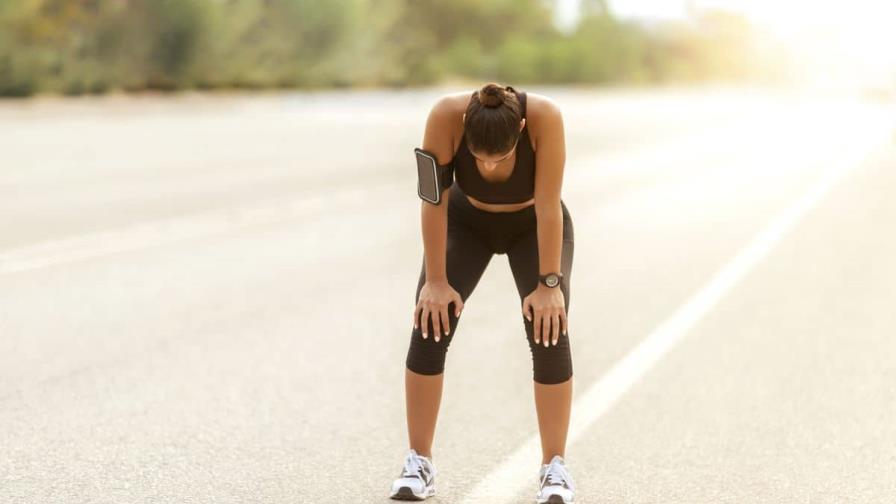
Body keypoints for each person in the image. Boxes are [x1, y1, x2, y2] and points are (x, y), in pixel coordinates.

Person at [389, 83, 576, 504]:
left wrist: (549, 285)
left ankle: (554, 467)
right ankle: (419, 460)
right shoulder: (443, 117)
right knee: (429, 323)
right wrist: (435, 282)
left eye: (502, 158)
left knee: (549, 331)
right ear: (464, 131)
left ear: (521, 129)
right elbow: (432, 201)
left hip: (533, 224)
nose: (489, 168)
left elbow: (548, 206)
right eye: (479, 158)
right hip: (465, 222)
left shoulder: (546, 119)